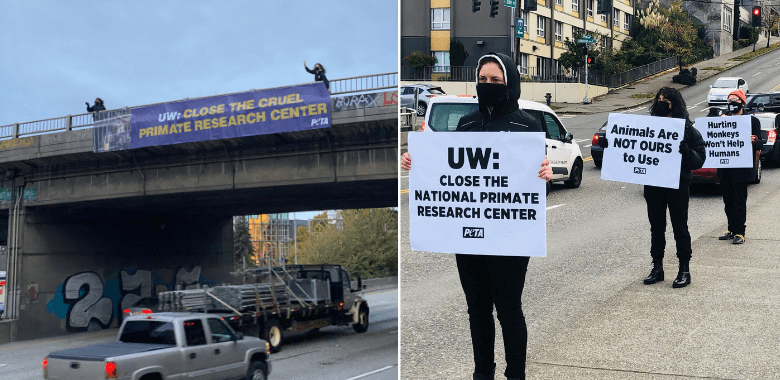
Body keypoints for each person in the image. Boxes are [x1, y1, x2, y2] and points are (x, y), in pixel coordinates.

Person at [402, 52, 552, 380]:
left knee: (509, 310)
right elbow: (449, 168)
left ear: (509, 83)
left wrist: (545, 171)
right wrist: (418, 164)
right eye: (483, 80)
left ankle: (516, 375)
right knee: (477, 311)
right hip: (469, 236)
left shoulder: (526, 126)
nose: (487, 85)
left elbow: (534, 172)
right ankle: (482, 373)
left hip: (510, 238)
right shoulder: (466, 123)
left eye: (495, 81)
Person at [599, 87, 706, 288]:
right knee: (656, 228)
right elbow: (629, 145)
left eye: (665, 99)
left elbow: (699, 159)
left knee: (679, 227)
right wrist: (610, 143)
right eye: (658, 98)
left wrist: (687, 153)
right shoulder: (646, 126)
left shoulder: (687, 129)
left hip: (677, 185)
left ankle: (684, 269)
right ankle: (657, 267)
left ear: (675, 102)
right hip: (654, 184)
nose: (661, 101)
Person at [717, 89, 762, 244]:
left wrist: (755, 141)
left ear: (742, 102)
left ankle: (739, 232)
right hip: (725, 169)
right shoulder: (723, 120)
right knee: (727, 201)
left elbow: (760, 144)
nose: (732, 103)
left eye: (735, 100)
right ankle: (731, 229)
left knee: (739, 201)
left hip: (741, 170)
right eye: (729, 101)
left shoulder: (752, 121)